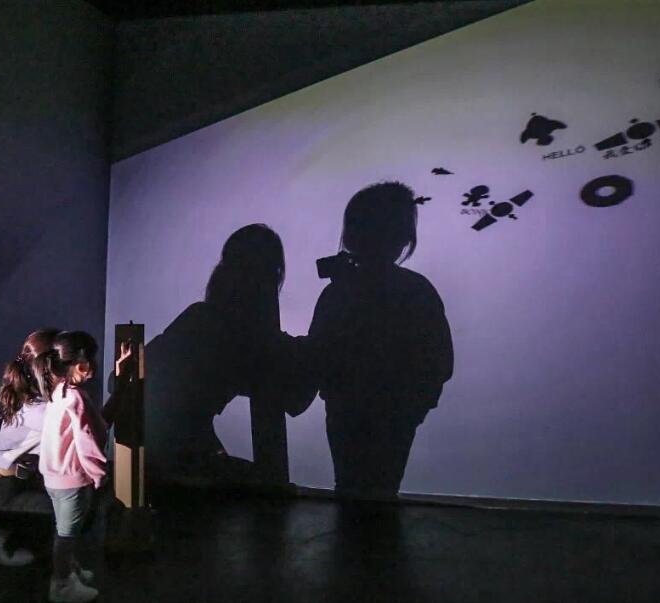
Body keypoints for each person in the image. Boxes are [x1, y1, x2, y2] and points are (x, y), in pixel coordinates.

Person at [308, 182, 454, 499]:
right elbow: (440, 361)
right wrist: (416, 406)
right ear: (402, 238)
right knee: (381, 490)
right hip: (396, 413)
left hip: (347, 410)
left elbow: (314, 354)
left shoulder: (337, 292)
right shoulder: (417, 290)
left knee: (350, 488)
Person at [144, 224, 314, 483]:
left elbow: (123, 377)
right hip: (173, 463)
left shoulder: (198, 318)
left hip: (155, 455)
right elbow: (297, 398)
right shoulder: (246, 336)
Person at [35, 331, 131, 603]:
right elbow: (89, 440)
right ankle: (62, 585)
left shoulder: (58, 392)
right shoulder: (76, 397)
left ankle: (70, 572)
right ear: (78, 364)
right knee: (66, 536)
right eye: (89, 362)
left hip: (54, 478)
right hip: (72, 480)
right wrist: (100, 474)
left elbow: (92, 427)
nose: (93, 368)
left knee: (64, 531)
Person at [0, 328, 60, 566]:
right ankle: (0, 536)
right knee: (72, 509)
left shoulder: (27, 397)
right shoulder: (41, 410)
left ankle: (10, 533)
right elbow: (92, 435)